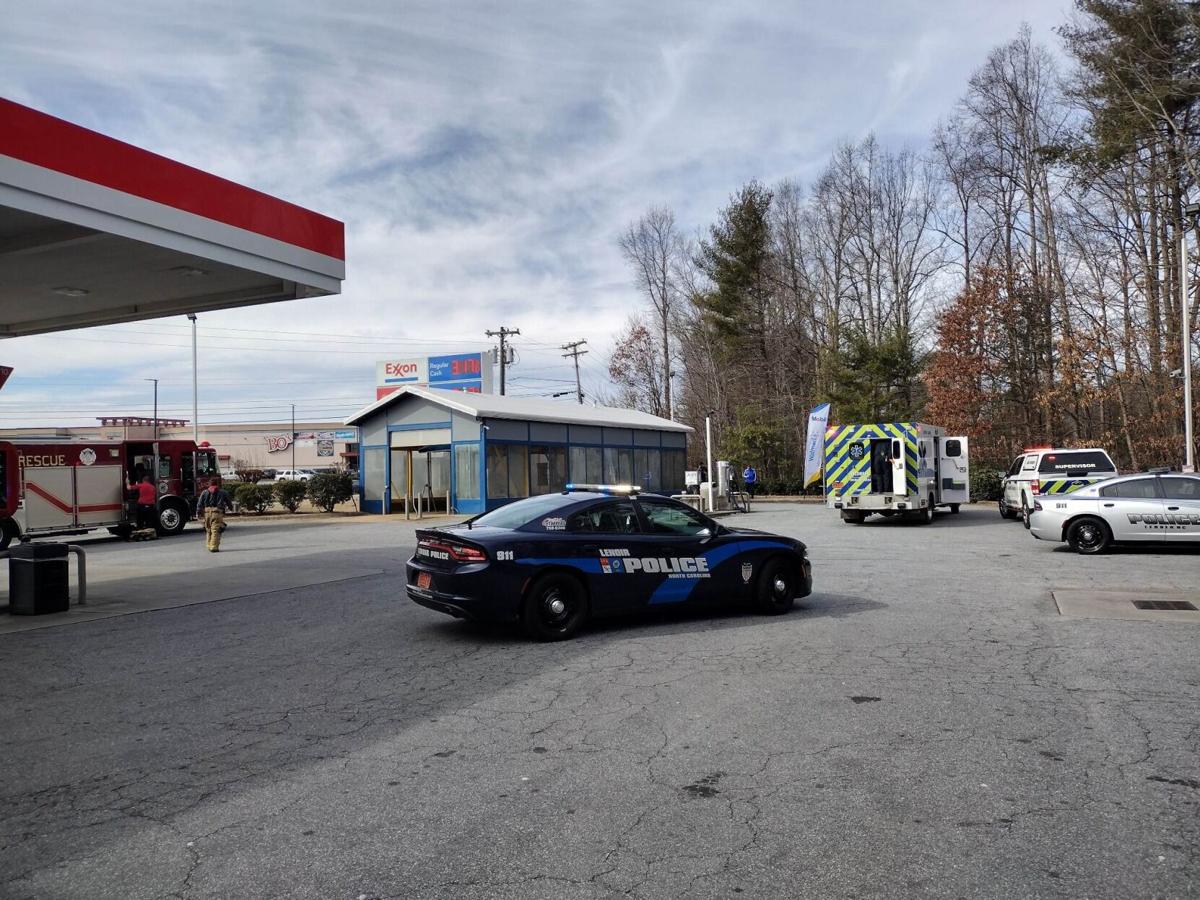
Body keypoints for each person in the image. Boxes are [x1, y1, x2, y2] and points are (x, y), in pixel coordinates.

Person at [196, 476, 234, 552]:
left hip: (207, 513)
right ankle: (213, 547)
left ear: (209, 484)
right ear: (218, 484)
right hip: (217, 513)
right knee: (215, 530)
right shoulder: (223, 492)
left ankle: (209, 545)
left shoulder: (204, 492)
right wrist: (231, 508)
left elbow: (199, 504)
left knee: (208, 529)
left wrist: (198, 513)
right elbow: (229, 502)